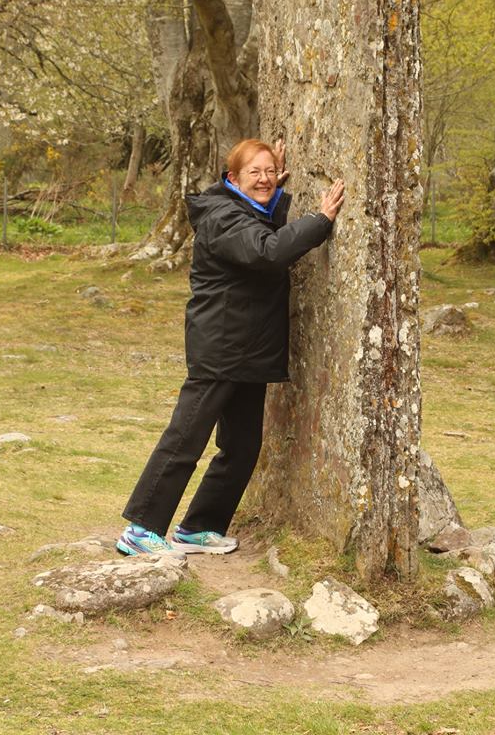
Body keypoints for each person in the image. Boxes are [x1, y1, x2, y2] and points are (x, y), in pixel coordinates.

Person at [116, 137, 345, 557]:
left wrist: (275, 196)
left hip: (249, 349)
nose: (264, 179)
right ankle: (141, 529)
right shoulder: (221, 215)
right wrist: (320, 220)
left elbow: (261, 229)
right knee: (186, 438)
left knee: (242, 446)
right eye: (253, 173)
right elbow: (267, 250)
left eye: (270, 172)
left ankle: (198, 527)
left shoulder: (247, 209)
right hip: (221, 345)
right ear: (231, 178)